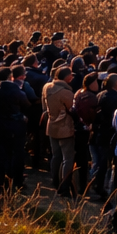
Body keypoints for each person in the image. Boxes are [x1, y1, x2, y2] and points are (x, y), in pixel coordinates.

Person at [43, 66, 77, 197]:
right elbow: (72, 109)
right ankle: (64, 186)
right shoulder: (66, 92)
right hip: (65, 127)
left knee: (56, 155)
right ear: (66, 77)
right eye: (70, 75)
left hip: (51, 124)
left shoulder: (48, 87)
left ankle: (55, 180)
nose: (72, 77)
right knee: (67, 158)